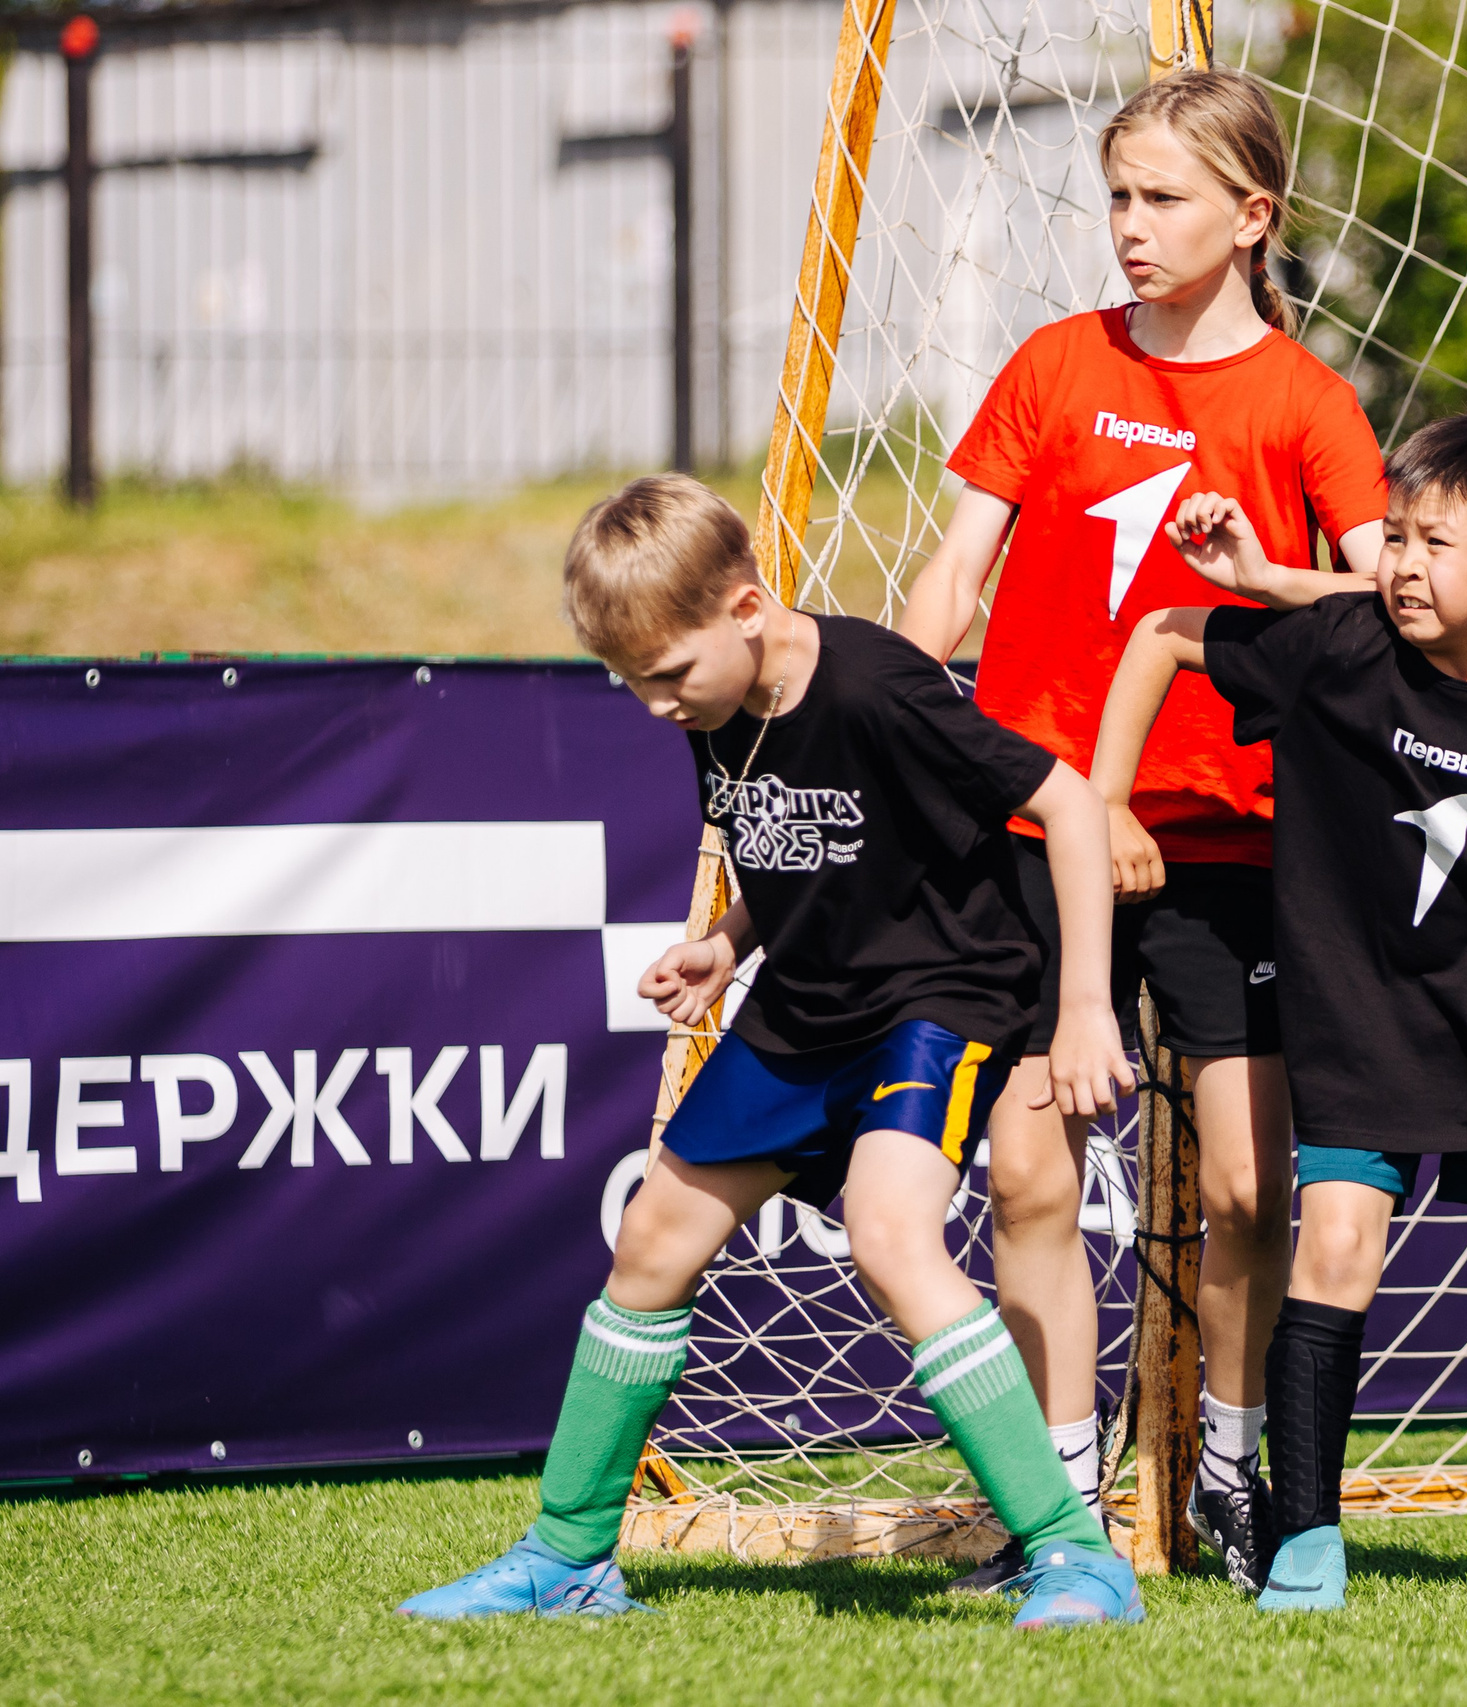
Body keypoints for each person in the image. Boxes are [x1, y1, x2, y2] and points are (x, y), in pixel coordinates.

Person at [396, 474, 1143, 1627]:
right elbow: (804, 847)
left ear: (746, 609)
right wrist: (725, 943)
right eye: (629, 682)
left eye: (666, 676)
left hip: (934, 1001)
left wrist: (1086, 1004)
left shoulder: (878, 684)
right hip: (801, 1005)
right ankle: (568, 1557)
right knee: (651, 1238)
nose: (652, 706)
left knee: (892, 1232)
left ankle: (1069, 1551)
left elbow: (1074, 805)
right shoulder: (717, 705)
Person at [897, 66, 1388, 1591]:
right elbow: (948, 583)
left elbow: (1396, 604)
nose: (1129, 225)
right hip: (1041, 838)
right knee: (1034, 1175)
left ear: (1254, 217)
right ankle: (1061, 1510)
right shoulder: (1051, 367)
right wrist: (901, 750)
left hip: (1233, 848)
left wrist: (1255, 576)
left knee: (1249, 1186)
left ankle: (1236, 1471)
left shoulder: (1308, 403)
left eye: (1163, 197)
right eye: (1117, 195)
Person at [1092, 413, 1467, 1611]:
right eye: (1396, 537)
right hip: (1357, 1029)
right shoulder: (1340, 648)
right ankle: (1308, 1540)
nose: (1402, 563)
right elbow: (1164, 634)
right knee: (1332, 1253)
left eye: (1435, 542)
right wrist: (1109, 802)